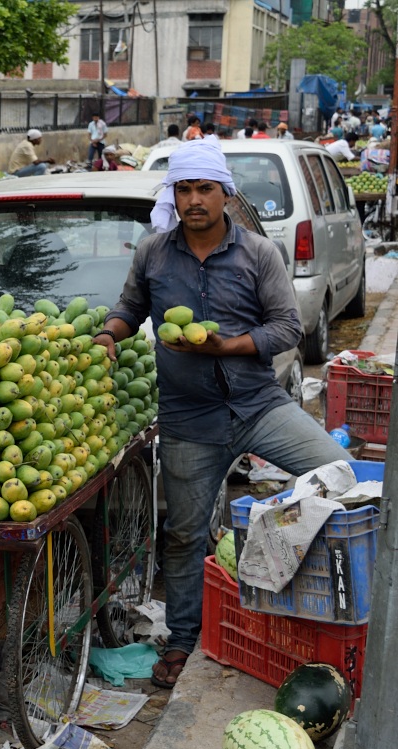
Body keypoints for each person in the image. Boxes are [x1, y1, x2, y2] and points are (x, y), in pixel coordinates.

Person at [91, 136, 351, 689]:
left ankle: (322, 605)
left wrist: (225, 346)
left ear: (225, 193)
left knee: (339, 473)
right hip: (189, 420)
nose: (194, 200)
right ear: (174, 195)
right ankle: (183, 639)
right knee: (184, 535)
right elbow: (130, 307)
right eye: (183, 189)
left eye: (204, 189)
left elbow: (288, 328)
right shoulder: (153, 253)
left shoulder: (258, 253)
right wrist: (110, 333)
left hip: (259, 405)